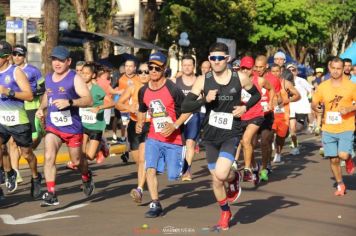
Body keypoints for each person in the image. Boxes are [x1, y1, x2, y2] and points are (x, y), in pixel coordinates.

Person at [182, 42, 261, 230]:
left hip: (231, 133)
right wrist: (204, 99)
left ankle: (231, 178)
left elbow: (256, 95)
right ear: (209, 60)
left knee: (219, 175)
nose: (216, 62)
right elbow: (185, 106)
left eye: (219, 58)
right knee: (217, 180)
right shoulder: (203, 80)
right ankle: (225, 210)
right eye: (212, 58)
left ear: (227, 59)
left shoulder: (240, 77)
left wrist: (245, 106)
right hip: (209, 135)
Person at [36, 46, 94, 206]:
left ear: (68, 61)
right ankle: (51, 193)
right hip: (53, 126)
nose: (57, 63)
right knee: (48, 157)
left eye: (61, 60)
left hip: (72, 128)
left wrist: (70, 102)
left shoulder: (74, 78)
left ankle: (86, 175)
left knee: (76, 161)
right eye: (54, 59)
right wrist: (41, 109)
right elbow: (48, 96)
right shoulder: (48, 77)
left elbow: (89, 100)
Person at [137, 52, 190, 218]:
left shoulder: (173, 89)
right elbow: (142, 109)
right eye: (150, 67)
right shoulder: (143, 90)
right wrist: (140, 123)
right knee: (150, 168)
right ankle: (155, 203)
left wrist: (174, 125)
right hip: (153, 136)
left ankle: (183, 164)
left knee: (173, 176)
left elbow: (188, 111)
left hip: (174, 139)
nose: (152, 71)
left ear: (164, 69)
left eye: (157, 68)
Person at [0, 41, 42, 198]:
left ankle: (36, 177)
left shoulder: (15, 72)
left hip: (19, 120)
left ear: (5, 57)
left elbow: (29, 95)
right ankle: (8, 172)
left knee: (27, 154)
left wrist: (8, 92)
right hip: (1, 120)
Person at [311, 57, 356, 196]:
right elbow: (314, 102)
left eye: (339, 68)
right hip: (328, 128)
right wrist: (315, 108)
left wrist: (349, 109)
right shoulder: (323, 86)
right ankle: (340, 184)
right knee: (333, 159)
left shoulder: (351, 86)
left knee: (342, 155)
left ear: (343, 69)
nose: (336, 71)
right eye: (333, 68)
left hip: (346, 126)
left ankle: (348, 159)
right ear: (329, 68)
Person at [9, 45, 45, 184]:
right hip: (16, 109)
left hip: (32, 108)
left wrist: (32, 94)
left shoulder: (33, 71)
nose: (17, 57)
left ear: (25, 56)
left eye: (20, 55)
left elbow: (43, 87)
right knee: (12, 142)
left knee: (33, 139)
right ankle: (15, 173)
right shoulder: (9, 71)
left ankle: (32, 166)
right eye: (14, 54)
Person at [116, 62, 150, 203]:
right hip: (134, 125)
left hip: (150, 125)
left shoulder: (156, 88)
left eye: (146, 72)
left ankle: (139, 189)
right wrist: (129, 107)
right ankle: (145, 179)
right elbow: (118, 104)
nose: (143, 74)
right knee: (138, 161)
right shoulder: (132, 87)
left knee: (143, 159)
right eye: (141, 72)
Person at [235, 56, 266, 185]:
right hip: (242, 115)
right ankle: (254, 167)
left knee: (246, 140)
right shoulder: (236, 80)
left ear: (252, 68)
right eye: (243, 68)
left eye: (248, 68)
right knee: (244, 143)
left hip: (256, 115)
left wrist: (272, 101)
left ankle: (247, 170)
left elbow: (272, 89)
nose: (245, 71)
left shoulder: (259, 80)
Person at [172, 55, 200, 181]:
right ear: (181, 66)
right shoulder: (174, 81)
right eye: (185, 65)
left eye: (189, 65)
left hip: (194, 115)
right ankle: (179, 166)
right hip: (178, 116)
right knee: (179, 144)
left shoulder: (200, 80)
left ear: (194, 66)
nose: (187, 67)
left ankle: (187, 170)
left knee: (190, 143)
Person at [79, 62, 114, 164]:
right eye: (82, 73)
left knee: (90, 156)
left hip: (96, 126)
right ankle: (86, 174)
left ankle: (102, 146)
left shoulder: (97, 89)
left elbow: (112, 103)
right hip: (83, 124)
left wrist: (99, 107)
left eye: (87, 73)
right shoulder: (79, 88)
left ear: (93, 75)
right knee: (81, 153)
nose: (84, 75)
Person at [253, 55, 281, 181]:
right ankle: (254, 165)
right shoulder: (250, 77)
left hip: (267, 114)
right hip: (253, 114)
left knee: (265, 141)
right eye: (256, 67)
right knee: (250, 143)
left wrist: (273, 103)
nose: (258, 69)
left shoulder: (273, 79)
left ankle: (265, 167)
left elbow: (279, 96)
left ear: (266, 66)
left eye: (261, 67)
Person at [271, 67, 300, 162]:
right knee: (269, 134)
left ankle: (278, 153)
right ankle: (270, 156)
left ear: (281, 72)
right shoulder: (267, 82)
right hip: (270, 112)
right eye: (273, 71)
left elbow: (298, 95)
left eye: (277, 71)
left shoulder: (286, 83)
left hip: (283, 114)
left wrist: (287, 100)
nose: (275, 73)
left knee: (281, 136)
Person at [287, 63, 313, 155]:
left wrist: (311, 101)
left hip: (301, 108)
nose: (291, 72)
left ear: (296, 71)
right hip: (290, 108)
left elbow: (311, 90)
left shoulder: (302, 81)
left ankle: (306, 124)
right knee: (292, 128)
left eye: (293, 70)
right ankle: (295, 147)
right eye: (289, 70)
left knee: (299, 127)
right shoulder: (284, 82)